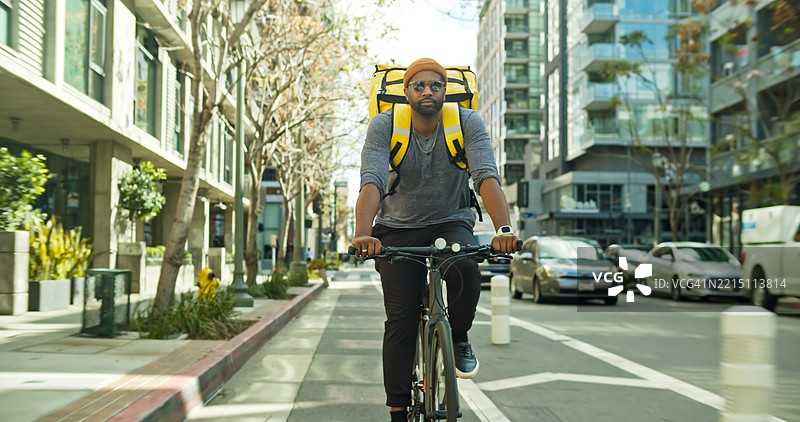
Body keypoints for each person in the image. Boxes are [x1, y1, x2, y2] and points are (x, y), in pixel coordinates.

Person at [350, 58, 519, 422]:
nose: (428, 91)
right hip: (396, 228)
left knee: (464, 268)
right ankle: (397, 408)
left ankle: (458, 335)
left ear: (445, 91)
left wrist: (503, 229)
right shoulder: (384, 126)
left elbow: (486, 176)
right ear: (406, 91)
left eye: (435, 85)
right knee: (402, 318)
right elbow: (372, 180)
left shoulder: (466, 122)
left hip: (450, 220)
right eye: (419, 85)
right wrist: (364, 232)